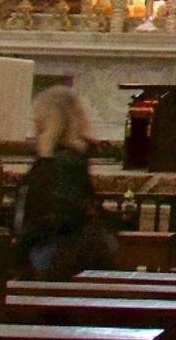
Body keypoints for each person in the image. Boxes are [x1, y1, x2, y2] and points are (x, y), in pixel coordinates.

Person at [15, 85, 120, 279]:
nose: (34, 123)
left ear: (50, 120)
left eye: (38, 116)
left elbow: (61, 210)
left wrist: (21, 242)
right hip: (50, 248)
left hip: (55, 253)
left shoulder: (63, 160)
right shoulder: (62, 157)